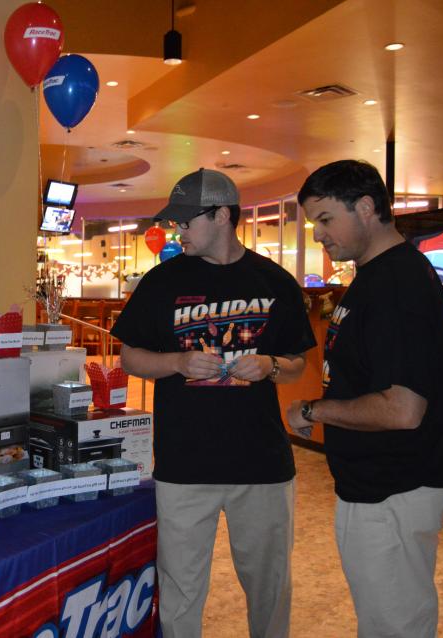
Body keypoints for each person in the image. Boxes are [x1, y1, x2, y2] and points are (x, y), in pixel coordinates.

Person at [111, 168, 315, 638]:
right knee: (180, 595)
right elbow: (130, 357)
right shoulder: (161, 282)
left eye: (186, 221)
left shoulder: (276, 282)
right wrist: (178, 363)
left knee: (269, 589)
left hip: (262, 465)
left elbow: (297, 364)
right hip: (185, 465)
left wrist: (270, 367)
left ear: (222, 215)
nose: (177, 231)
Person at [286, 159, 443, 637]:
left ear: (366, 207)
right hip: (388, 484)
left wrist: (313, 410)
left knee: (395, 625)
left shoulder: (396, 284)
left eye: (325, 219)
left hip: (395, 488)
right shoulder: (377, 274)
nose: (318, 235)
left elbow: (402, 408)